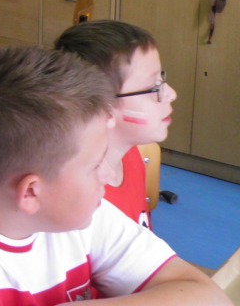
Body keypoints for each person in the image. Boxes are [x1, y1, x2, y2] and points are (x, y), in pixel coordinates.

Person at [0, 45, 231, 306]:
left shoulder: (77, 211)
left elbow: (206, 296)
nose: (108, 174)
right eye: (95, 165)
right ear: (31, 193)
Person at [55, 20, 177, 229]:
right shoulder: (85, 209)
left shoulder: (131, 154)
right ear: (104, 107)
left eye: (162, 79)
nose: (171, 94)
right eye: (153, 87)